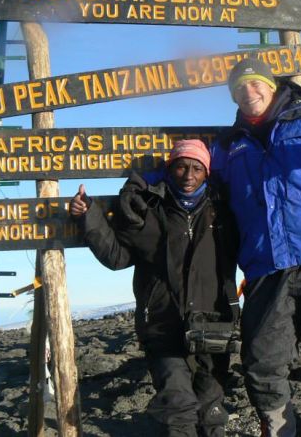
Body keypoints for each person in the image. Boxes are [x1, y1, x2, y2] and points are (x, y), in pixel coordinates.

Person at [121, 58, 301, 437]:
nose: (248, 91)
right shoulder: (230, 145)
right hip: (265, 265)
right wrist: (143, 183)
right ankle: (278, 429)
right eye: (239, 87)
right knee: (262, 363)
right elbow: (190, 168)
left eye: (255, 84)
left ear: (271, 86)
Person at [69, 139, 240, 437]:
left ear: (207, 173)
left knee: (211, 410)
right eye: (181, 167)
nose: (188, 175)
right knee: (177, 407)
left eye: (197, 168)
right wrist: (89, 217)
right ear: (169, 170)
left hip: (215, 326)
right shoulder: (148, 212)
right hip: (163, 326)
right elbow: (117, 256)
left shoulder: (224, 213)